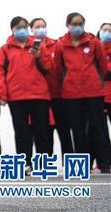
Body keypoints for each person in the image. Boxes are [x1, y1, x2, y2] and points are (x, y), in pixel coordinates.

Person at [54, 13, 111, 173]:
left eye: (80, 24)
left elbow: (102, 66)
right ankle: (81, 164)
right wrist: (68, 80)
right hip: (71, 94)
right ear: (68, 25)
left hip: (93, 92)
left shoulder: (94, 42)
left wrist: (94, 79)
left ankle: (104, 162)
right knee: (77, 129)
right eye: (74, 24)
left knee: (98, 127)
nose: (77, 27)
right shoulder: (60, 44)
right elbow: (58, 68)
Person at [0, 17, 52, 172]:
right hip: (16, 96)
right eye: (18, 27)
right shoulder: (5, 49)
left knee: (42, 131)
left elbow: (49, 67)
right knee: (21, 132)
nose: (22, 30)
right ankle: (25, 163)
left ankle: (43, 163)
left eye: (25, 27)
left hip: (39, 94)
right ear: (12, 29)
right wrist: (2, 94)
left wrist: (39, 55)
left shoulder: (38, 45)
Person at [30, 17, 72, 158]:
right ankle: (45, 162)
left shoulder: (56, 44)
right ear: (31, 29)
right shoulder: (28, 47)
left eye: (43, 26)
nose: (40, 29)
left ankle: (69, 162)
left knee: (64, 130)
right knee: (43, 131)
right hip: (39, 96)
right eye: (37, 26)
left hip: (58, 94)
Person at [99, 23, 111, 124]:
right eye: (104, 30)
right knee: (99, 128)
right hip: (98, 95)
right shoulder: (94, 48)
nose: (107, 33)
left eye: (110, 31)